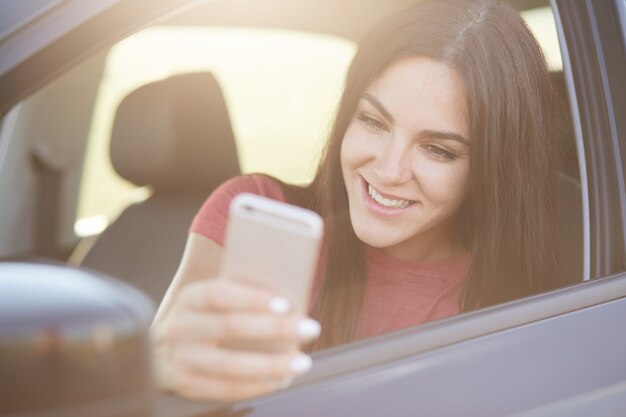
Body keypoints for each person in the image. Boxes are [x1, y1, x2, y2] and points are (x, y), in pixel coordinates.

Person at [151, 0, 560, 401]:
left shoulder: (504, 316)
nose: (388, 170)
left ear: (490, 167)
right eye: (373, 121)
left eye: (437, 149)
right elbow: (148, 388)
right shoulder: (253, 207)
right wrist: (159, 369)